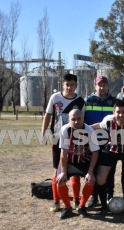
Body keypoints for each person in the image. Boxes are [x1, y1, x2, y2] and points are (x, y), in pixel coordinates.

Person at [41, 73, 85, 213]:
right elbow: (48, 116)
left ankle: (77, 200)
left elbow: (83, 121)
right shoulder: (55, 98)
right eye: (67, 85)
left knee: (75, 171)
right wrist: (43, 133)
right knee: (57, 170)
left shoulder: (80, 101)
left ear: (76, 85)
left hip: (75, 139)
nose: (70, 87)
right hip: (57, 138)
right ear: (62, 84)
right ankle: (56, 201)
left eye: (72, 85)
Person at [55, 109, 99, 219]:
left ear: (83, 118)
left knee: (91, 180)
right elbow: (63, 153)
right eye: (73, 119)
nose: (76, 122)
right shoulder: (65, 130)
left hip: (84, 161)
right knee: (60, 181)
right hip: (68, 161)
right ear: (69, 120)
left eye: (78, 118)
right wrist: (63, 172)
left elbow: (95, 152)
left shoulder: (89, 131)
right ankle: (68, 207)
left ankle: (81, 206)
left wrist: (90, 172)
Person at [84, 76, 117, 208]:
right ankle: (94, 196)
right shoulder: (88, 101)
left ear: (108, 86)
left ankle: (110, 194)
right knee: (94, 168)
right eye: (100, 85)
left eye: (104, 85)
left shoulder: (114, 101)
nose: (102, 87)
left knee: (110, 169)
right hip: (92, 140)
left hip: (110, 141)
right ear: (95, 86)